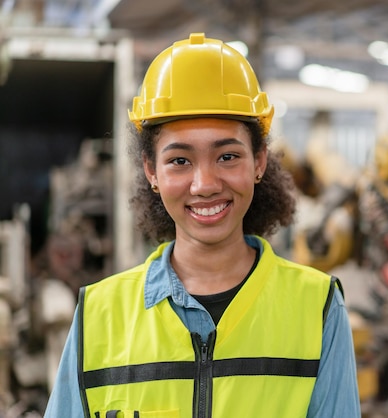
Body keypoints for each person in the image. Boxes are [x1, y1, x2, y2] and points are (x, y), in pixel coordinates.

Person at [44, 33, 361, 418]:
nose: (205, 184)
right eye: (180, 160)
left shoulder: (318, 307)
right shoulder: (98, 315)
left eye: (227, 156)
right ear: (151, 171)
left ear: (259, 161)